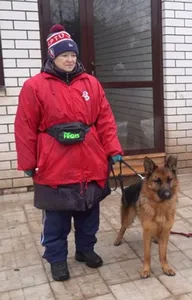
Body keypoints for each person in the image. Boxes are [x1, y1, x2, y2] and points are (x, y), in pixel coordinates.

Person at [14, 24, 123, 281]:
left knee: (88, 212)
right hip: (54, 163)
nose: (70, 59)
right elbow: (25, 126)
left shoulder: (91, 83)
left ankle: (86, 250)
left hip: (90, 159)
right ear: (52, 55)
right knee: (57, 218)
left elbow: (105, 119)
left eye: (73, 55)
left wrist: (113, 149)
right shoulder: (34, 86)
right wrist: (28, 161)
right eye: (64, 55)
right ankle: (56, 259)